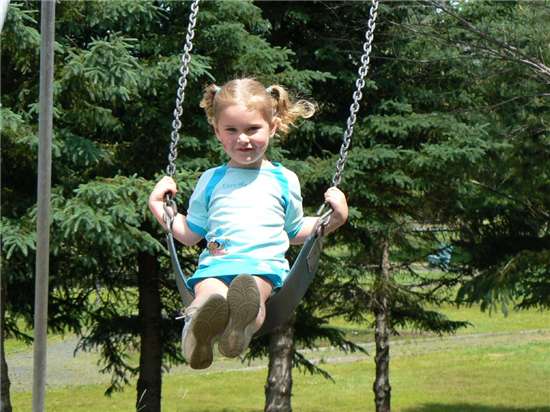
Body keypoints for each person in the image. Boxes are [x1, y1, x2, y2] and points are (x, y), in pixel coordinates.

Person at [148, 78, 348, 369]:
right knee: (207, 298)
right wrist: (158, 206)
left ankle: (239, 331)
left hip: (261, 267)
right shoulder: (211, 180)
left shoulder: (283, 179)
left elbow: (294, 231)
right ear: (217, 132)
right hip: (216, 265)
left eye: (253, 129)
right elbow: (190, 233)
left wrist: (333, 219)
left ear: (273, 128)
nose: (243, 139)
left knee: (250, 297)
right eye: (232, 130)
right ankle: (197, 337)